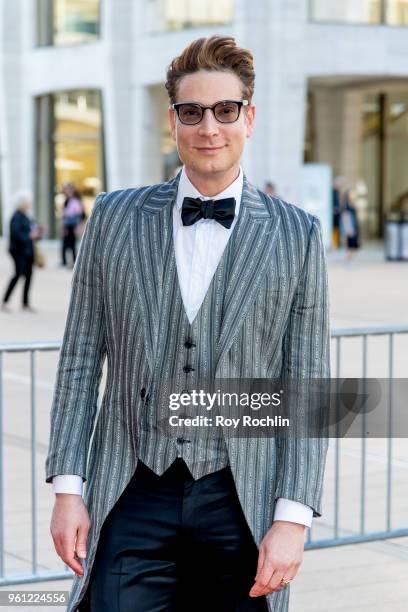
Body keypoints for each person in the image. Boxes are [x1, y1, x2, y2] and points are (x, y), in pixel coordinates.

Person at [45, 35, 330, 612]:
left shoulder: (296, 234)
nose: (209, 127)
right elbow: (80, 358)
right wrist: (68, 488)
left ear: (249, 117)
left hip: (240, 496)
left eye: (226, 110)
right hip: (129, 490)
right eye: (192, 112)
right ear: (171, 121)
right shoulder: (114, 217)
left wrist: (293, 518)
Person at [1, 190, 42, 313]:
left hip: (28, 252)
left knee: (29, 276)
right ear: (21, 203)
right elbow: (16, 234)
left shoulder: (27, 217)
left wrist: (38, 234)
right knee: (17, 274)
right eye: (27, 202)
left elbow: (33, 233)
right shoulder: (16, 217)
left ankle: (25, 303)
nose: (29, 204)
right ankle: (5, 301)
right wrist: (30, 236)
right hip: (19, 252)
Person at [61, 182, 85, 268]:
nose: (66, 191)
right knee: (65, 245)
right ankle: (66, 262)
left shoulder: (75, 200)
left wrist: (79, 226)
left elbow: (81, 215)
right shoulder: (67, 200)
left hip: (72, 225)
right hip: (67, 225)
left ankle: (74, 262)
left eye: (68, 189)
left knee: (71, 245)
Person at [340, 187, 361, 263]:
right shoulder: (346, 205)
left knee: (355, 245)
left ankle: (350, 260)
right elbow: (345, 217)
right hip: (350, 226)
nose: (353, 195)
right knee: (350, 245)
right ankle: (348, 260)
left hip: (355, 225)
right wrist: (348, 228)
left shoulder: (352, 204)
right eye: (351, 194)